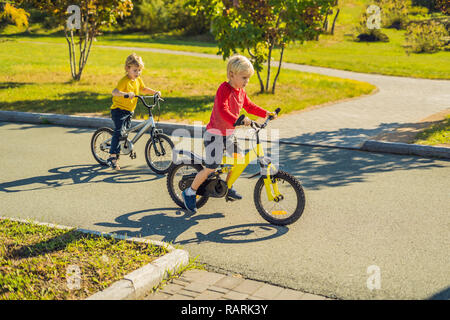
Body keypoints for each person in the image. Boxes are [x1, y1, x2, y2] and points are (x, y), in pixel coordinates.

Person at [182, 54, 277, 213]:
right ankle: (190, 192)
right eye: (244, 77)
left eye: (248, 78)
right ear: (232, 75)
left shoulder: (241, 91)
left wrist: (266, 113)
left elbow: (250, 106)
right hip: (214, 134)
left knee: (238, 160)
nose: (247, 81)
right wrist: (239, 119)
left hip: (229, 134)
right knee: (211, 168)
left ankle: (228, 186)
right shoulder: (224, 89)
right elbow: (223, 110)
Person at [108, 53, 161, 170]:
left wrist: (155, 92)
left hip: (129, 111)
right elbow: (114, 92)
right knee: (119, 131)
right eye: (135, 70)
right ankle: (112, 157)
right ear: (127, 69)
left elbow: (143, 89)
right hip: (118, 110)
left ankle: (121, 147)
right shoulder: (124, 81)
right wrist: (126, 94)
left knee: (125, 132)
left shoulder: (138, 80)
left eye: (139, 70)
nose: (137, 73)